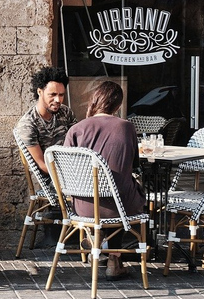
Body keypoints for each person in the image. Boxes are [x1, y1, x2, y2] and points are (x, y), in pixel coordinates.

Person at [62, 80, 146, 280]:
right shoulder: (126, 127)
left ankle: (96, 241)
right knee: (126, 192)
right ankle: (114, 260)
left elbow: (66, 170)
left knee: (114, 194)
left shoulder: (76, 129)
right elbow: (134, 165)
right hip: (117, 207)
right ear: (118, 106)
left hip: (82, 207)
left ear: (94, 101)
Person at [15, 66, 77, 175]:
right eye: (52, 95)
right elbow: (41, 165)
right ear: (40, 92)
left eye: (61, 95)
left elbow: (79, 143)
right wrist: (70, 176)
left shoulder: (66, 112)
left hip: (75, 170)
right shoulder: (28, 124)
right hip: (53, 179)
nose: (58, 100)